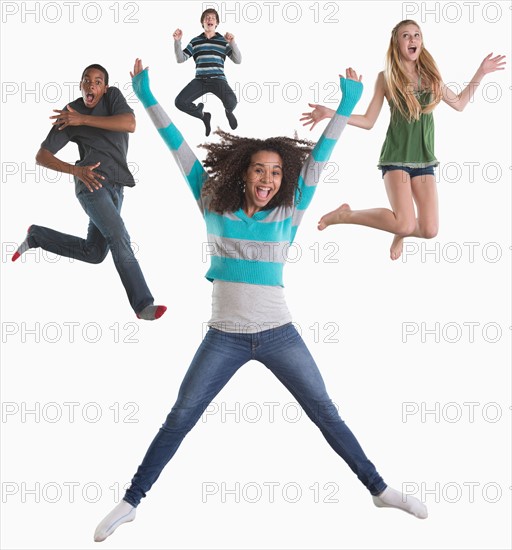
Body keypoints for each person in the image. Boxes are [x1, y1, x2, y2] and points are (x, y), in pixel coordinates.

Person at [93, 58, 428, 543]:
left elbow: (321, 158)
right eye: (258, 171)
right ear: (242, 174)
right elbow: (179, 150)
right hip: (223, 338)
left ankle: (378, 488)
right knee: (182, 416)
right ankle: (131, 501)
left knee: (326, 411)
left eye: (275, 172)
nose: (267, 179)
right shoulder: (212, 201)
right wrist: (146, 96)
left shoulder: (290, 211)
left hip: (278, 335)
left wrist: (347, 105)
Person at [301, 20, 506, 260]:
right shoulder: (386, 78)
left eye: (417, 35)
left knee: (430, 230)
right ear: (397, 43)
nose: (412, 40)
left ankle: (401, 230)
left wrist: (480, 72)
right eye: (406, 36)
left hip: (424, 160)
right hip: (396, 159)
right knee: (405, 223)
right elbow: (368, 121)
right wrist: (331, 113)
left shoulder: (432, 79)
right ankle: (345, 215)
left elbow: (460, 104)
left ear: (422, 42)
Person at [11, 64, 166, 320]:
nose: (91, 85)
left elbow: (130, 123)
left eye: (97, 81)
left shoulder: (113, 98)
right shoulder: (71, 113)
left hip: (118, 187)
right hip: (91, 184)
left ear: (104, 88)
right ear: (81, 85)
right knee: (119, 235)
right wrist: (75, 170)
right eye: (86, 81)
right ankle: (142, 304)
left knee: (94, 253)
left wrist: (81, 120)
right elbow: (42, 156)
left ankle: (37, 236)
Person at [173, 8, 241, 136]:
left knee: (232, 102)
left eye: (213, 18)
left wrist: (232, 43)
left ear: (216, 23)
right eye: (207, 18)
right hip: (200, 80)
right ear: (202, 23)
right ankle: (203, 115)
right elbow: (180, 59)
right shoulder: (195, 41)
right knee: (179, 102)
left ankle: (228, 112)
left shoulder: (223, 41)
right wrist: (177, 41)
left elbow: (238, 60)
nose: (210, 19)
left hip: (218, 80)